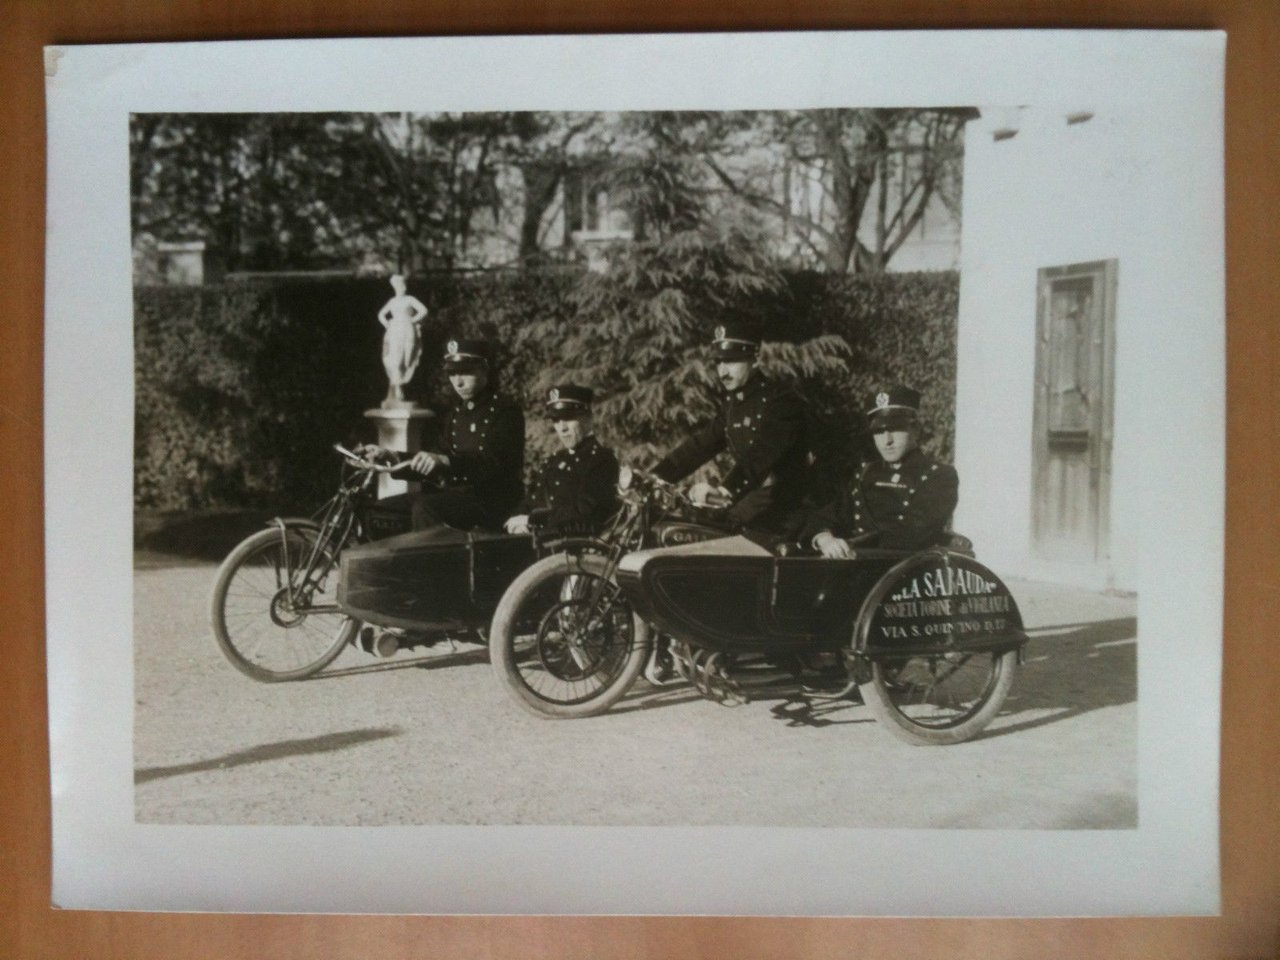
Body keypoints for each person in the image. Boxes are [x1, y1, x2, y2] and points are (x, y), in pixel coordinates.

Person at [651, 321, 809, 551]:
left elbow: (763, 453)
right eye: (719, 362)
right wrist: (656, 477)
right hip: (753, 508)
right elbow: (699, 446)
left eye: (732, 361)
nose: (723, 371)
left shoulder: (781, 401)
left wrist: (726, 490)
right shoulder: (733, 405)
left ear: (755, 359)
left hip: (786, 514)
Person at [369, 338, 524, 531]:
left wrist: (446, 461)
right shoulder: (457, 413)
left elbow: (494, 464)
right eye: (452, 373)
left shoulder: (505, 411)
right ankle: (391, 561)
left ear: (485, 370)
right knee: (382, 508)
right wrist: (392, 457)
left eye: (466, 372)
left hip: (492, 501)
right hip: (457, 497)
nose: (458, 382)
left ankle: (431, 562)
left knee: (425, 508)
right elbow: (435, 457)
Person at [802, 384, 958, 558]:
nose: (887, 440)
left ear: (915, 430)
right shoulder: (865, 473)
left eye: (896, 429)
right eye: (879, 432)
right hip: (853, 564)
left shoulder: (939, 476)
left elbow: (913, 534)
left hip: (899, 569)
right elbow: (828, 514)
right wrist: (824, 538)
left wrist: (852, 544)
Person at [504, 385, 619, 538]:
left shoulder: (601, 460)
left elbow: (585, 514)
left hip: (573, 552)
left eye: (568, 418)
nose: (562, 428)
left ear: (587, 418)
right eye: (556, 420)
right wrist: (514, 520)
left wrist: (533, 520)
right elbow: (531, 501)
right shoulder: (554, 460)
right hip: (540, 543)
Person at [377, 274, 428, 402]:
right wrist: (387, 324)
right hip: (395, 330)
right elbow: (381, 315)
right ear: (395, 287)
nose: (402, 288)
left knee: (408, 358)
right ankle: (398, 388)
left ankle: (402, 384)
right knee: (396, 359)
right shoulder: (392, 301)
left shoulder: (409, 299)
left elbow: (423, 310)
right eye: (399, 285)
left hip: (408, 329)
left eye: (403, 285)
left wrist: (412, 320)